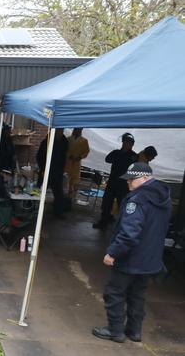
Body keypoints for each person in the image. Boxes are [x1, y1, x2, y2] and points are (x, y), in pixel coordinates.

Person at [92, 162, 171, 343]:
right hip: (150, 259)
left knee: (114, 293)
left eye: (131, 179)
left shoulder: (137, 200)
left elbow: (129, 233)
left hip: (131, 257)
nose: (128, 183)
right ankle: (134, 331)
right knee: (137, 295)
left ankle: (115, 331)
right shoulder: (163, 197)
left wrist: (113, 253)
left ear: (145, 178)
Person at [93, 133, 138, 229]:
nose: (126, 145)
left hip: (123, 184)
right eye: (125, 143)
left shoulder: (134, 156)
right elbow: (107, 159)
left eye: (128, 143)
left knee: (122, 205)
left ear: (132, 145)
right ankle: (103, 223)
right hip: (112, 182)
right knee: (106, 203)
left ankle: (122, 227)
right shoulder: (116, 153)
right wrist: (118, 154)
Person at [36, 128, 68, 218]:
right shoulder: (46, 142)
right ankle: (34, 209)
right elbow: (39, 156)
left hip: (57, 171)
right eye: (58, 131)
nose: (60, 133)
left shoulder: (64, 142)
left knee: (58, 193)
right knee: (38, 191)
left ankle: (58, 212)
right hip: (45, 170)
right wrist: (42, 168)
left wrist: (62, 169)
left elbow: (64, 157)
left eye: (61, 131)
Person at [64, 128, 90, 198]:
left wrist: (80, 157)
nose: (78, 131)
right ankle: (63, 196)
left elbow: (86, 151)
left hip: (76, 163)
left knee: (74, 180)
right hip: (67, 163)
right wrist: (69, 156)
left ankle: (71, 197)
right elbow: (64, 150)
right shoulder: (68, 139)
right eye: (76, 129)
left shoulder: (84, 141)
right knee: (66, 179)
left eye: (79, 130)